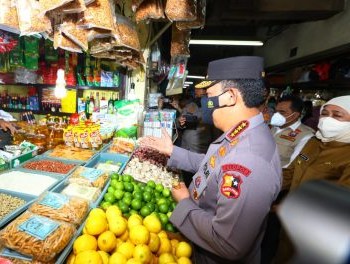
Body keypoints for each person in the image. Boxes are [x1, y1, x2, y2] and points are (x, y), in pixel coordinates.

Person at [140, 56, 282, 263]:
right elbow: (215, 166)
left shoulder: (248, 159)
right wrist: (173, 151)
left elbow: (228, 243)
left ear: (230, 97)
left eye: (209, 96)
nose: (205, 104)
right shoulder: (243, 134)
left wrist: (185, 203)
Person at [274, 95, 350, 263]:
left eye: (337, 115)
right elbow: (290, 173)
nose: (328, 119)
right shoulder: (314, 142)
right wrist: (263, 189)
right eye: (325, 113)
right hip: (289, 229)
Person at [270, 95, 314, 168]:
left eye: (282, 112)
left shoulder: (306, 135)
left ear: (295, 115)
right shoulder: (273, 127)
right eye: (275, 111)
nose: (276, 115)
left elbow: (293, 165)